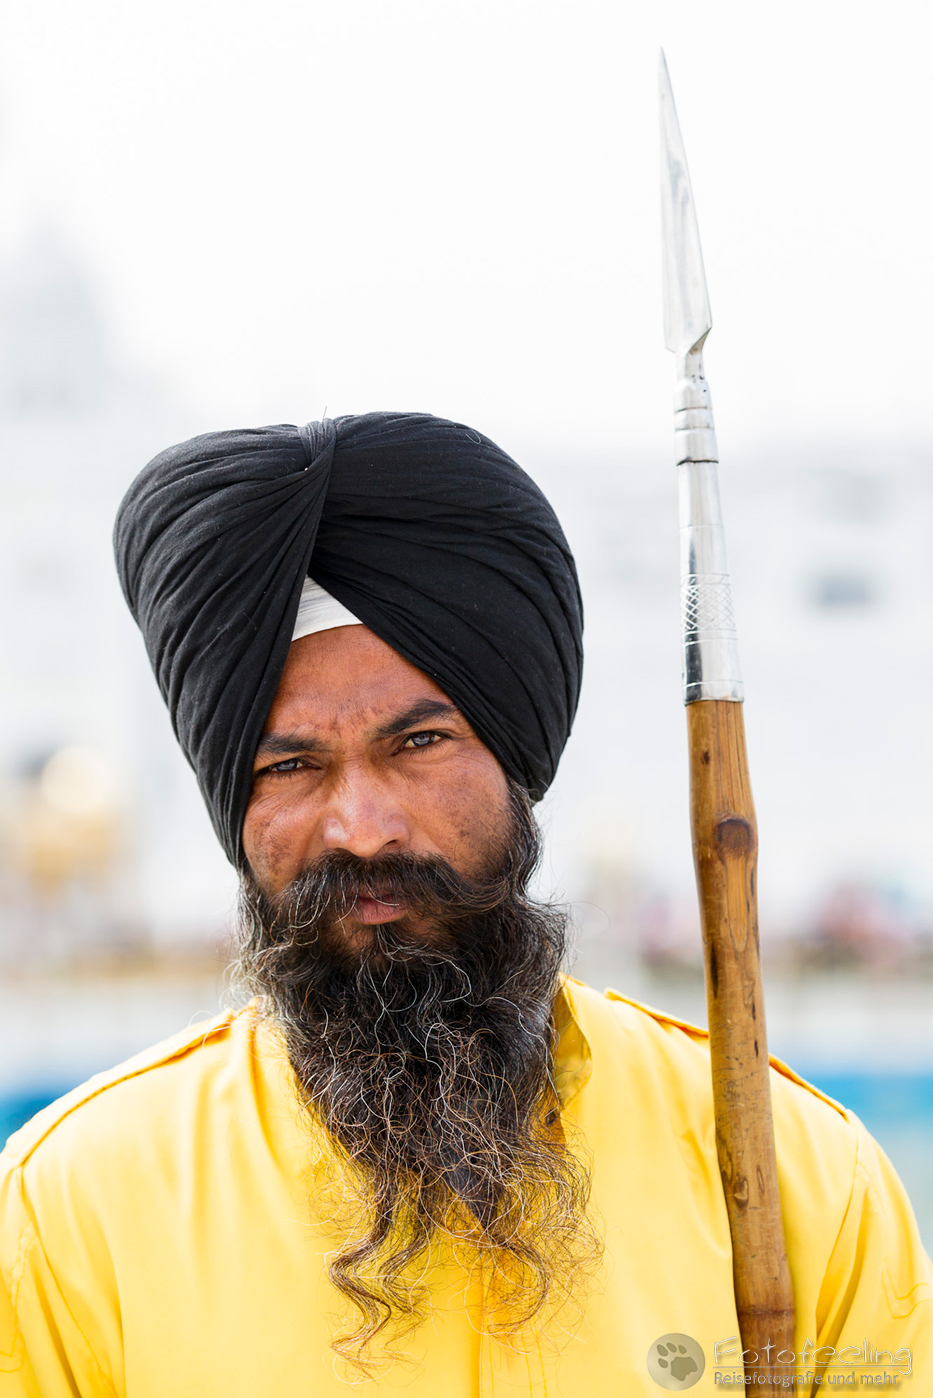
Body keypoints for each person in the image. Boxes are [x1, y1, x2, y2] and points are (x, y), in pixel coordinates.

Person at [0, 413, 929, 1397]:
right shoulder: (73, 1214)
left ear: (514, 761)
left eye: (419, 743)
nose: (362, 829)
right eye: (292, 765)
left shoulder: (800, 1179)